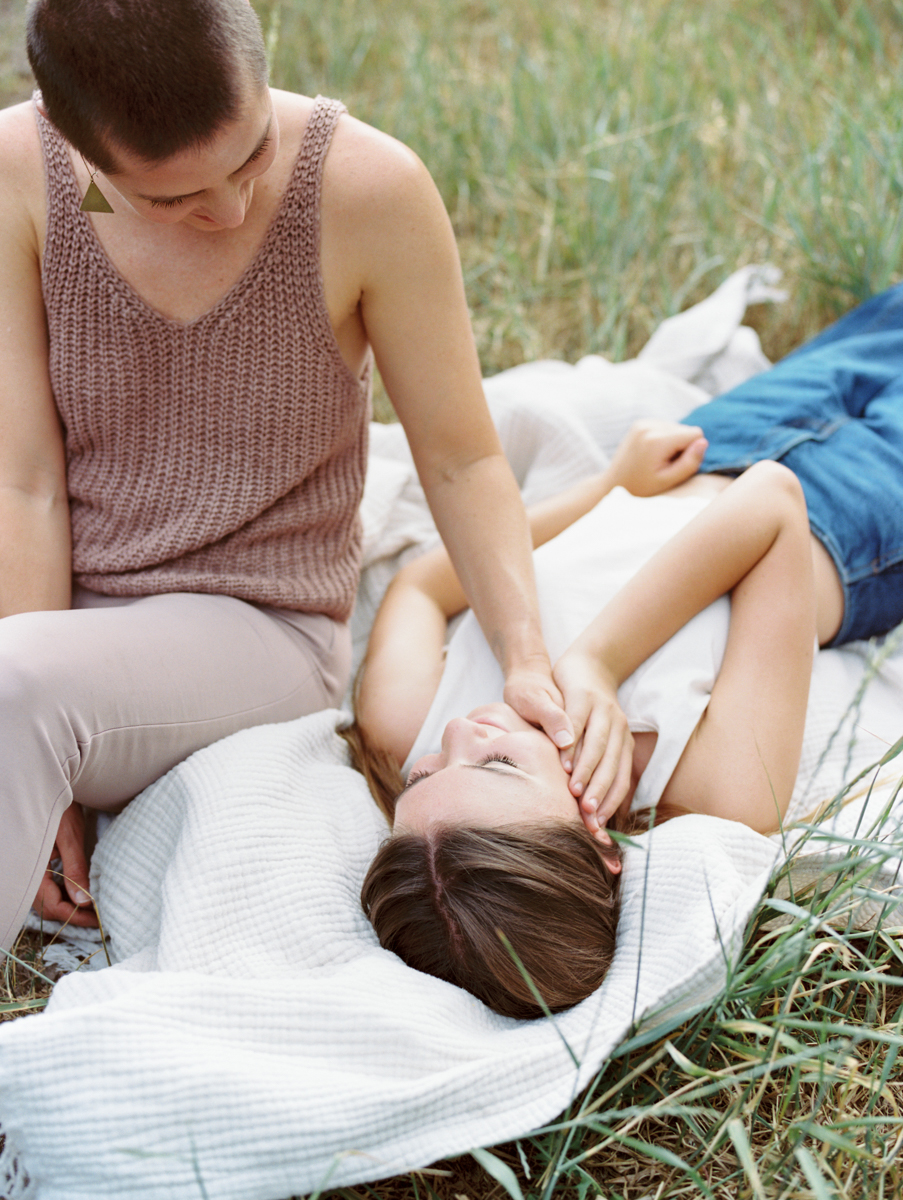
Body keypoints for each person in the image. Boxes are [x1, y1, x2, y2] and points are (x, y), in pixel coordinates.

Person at [0, 0, 709, 954]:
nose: (229, 210)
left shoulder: (370, 187)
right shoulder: (17, 176)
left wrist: (528, 657)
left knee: (16, 681)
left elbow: (459, 460)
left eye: (248, 157)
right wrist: (34, 763)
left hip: (249, 620)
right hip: (54, 607)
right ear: (66, 134)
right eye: (170, 199)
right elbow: (24, 483)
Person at [350, 284, 903, 1020]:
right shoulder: (713, 790)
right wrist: (595, 663)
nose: (456, 733)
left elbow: (421, 584)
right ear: (598, 841)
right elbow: (772, 504)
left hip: (702, 447)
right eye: (498, 765)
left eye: (421, 776)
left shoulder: (403, 718)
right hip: (848, 520)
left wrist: (607, 485)